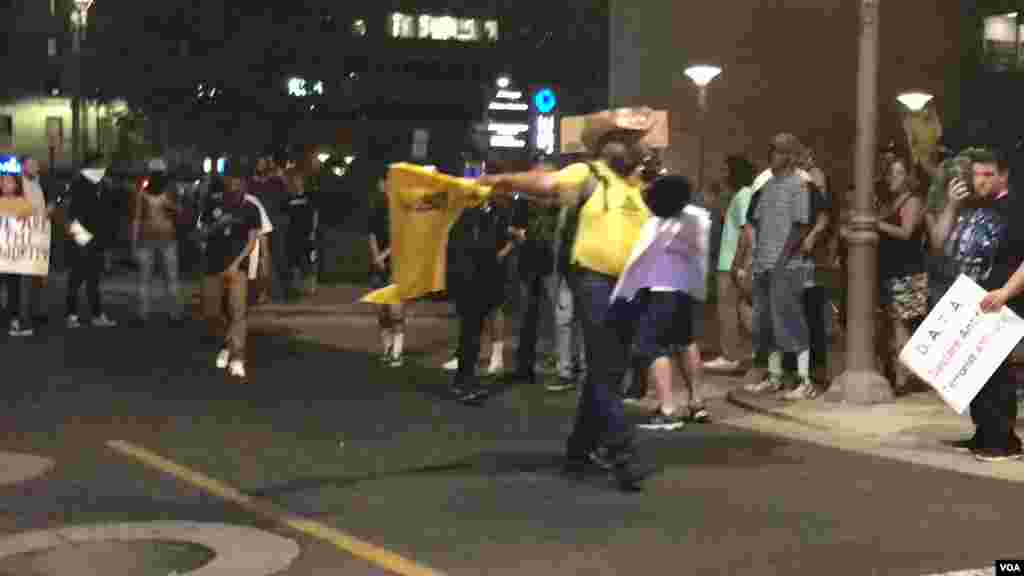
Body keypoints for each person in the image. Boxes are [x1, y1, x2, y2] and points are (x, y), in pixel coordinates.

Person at [480, 116, 655, 491]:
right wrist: (500, 180)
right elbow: (544, 184)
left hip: (631, 286)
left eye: (635, 140)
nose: (632, 146)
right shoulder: (586, 173)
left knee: (606, 370)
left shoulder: (638, 187)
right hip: (592, 280)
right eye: (623, 140)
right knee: (607, 367)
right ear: (604, 145)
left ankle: (579, 450)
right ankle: (622, 453)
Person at [931, 148, 1024, 462]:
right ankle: (984, 433)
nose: (981, 182)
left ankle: (1003, 441)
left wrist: (1005, 292)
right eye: (976, 175)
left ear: (1003, 175)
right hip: (972, 299)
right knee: (975, 372)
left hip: (1001, 299)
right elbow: (938, 241)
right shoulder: (969, 205)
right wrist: (952, 205)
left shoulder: (1015, 207)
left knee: (997, 373)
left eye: (988, 175)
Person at [741, 134, 814, 396]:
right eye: (771, 151)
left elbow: (801, 225)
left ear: (790, 156)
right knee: (766, 325)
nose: (771, 156)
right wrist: (754, 259)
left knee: (790, 322)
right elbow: (757, 224)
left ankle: (805, 382)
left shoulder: (800, 185)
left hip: (787, 265)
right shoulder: (769, 185)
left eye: (777, 151)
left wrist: (782, 258)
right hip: (763, 264)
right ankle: (775, 376)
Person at [198, 168, 261, 380]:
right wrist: (218, 224)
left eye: (238, 180)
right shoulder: (212, 204)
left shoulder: (251, 208)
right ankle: (227, 342)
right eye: (231, 179)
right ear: (226, 181)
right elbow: (201, 234)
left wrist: (237, 264)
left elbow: (253, 240)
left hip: (237, 268)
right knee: (212, 313)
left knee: (238, 311)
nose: (234, 183)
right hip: (212, 265)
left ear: (244, 183)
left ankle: (237, 358)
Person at [874, 156, 927, 394]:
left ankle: (905, 376)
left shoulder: (912, 201)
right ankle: (903, 374)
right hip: (893, 270)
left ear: (908, 177)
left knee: (901, 324)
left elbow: (906, 232)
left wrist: (876, 224)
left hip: (908, 270)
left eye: (898, 173)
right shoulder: (893, 202)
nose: (892, 178)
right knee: (897, 324)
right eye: (890, 174)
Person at [704, 156, 756, 373]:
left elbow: (749, 231)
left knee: (728, 311)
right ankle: (766, 352)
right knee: (743, 309)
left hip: (731, 264)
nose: (722, 173)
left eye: (726, 170)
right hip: (732, 262)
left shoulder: (743, 196)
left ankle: (730, 356)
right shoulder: (741, 196)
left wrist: (743, 264)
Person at [64, 154, 117, 329]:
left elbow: (107, 214)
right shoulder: (78, 184)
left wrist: (105, 241)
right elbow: (71, 213)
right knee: (76, 278)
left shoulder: (103, 186)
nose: (102, 169)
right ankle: (71, 315)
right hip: (81, 236)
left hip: (96, 238)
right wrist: (80, 239)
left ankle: (96, 314)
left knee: (93, 279)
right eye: (98, 165)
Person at [131, 158, 183, 323]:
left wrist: (133, 242)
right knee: (171, 278)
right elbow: (180, 212)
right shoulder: (170, 191)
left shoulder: (142, 193)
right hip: (168, 238)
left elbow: (136, 219)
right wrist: (170, 206)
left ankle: (143, 314)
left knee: (144, 279)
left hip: (147, 238)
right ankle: (173, 314)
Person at [368, 180, 405, 367]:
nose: (383, 186)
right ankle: (388, 347)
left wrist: (383, 255)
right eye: (382, 183)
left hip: (397, 266)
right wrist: (376, 257)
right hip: (378, 266)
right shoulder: (377, 208)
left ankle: (398, 352)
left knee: (395, 310)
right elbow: (372, 234)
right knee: (381, 311)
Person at [19, 155, 53, 327]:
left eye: (36, 164)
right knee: (26, 280)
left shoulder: (36, 184)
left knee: (36, 279)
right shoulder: (21, 186)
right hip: (27, 239)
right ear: (23, 167)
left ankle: (34, 312)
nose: (36, 167)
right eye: (32, 165)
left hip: (39, 237)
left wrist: (46, 212)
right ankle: (24, 317)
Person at [0, 174, 33, 336]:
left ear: (16, 185)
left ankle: (14, 322)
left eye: (9, 181)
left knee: (13, 288)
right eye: (3, 181)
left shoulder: (23, 204)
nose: (5, 184)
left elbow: (29, 228)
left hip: (14, 253)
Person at [285, 169, 318, 297]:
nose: (297, 183)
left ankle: (311, 287)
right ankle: (297, 288)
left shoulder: (310, 196)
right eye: (295, 181)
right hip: (293, 235)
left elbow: (315, 214)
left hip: (308, 234)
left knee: (311, 260)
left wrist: (313, 231)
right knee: (295, 263)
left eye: (299, 180)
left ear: (303, 182)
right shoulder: (289, 198)